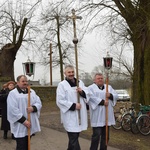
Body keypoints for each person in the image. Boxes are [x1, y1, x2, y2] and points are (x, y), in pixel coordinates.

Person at [56, 64, 90, 150]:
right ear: (65, 73)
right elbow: (60, 100)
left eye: (72, 72)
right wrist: (73, 105)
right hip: (70, 116)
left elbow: (88, 94)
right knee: (73, 138)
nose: (71, 74)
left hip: (80, 115)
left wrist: (81, 92)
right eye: (69, 72)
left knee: (74, 138)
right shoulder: (62, 85)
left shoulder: (80, 82)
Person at [7, 75, 42, 150]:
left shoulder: (32, 92)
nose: (25, 83)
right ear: (18, 82)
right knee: (21, 146)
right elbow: (12, 109)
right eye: (23, 81)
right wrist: (24, 121)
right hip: (20, 124)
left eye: (26, 81)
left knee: (27, 145)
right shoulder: (13, 94)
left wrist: (33, 108)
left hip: (30, 123)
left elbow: (38, 103)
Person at [88, 73, 118, 150]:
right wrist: (102, 102)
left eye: (101, 78)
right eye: (98, 78)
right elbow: (91, 98)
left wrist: (110, 95)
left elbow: (116, 95)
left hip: (107, 115)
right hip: (97, 116)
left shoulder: (109, 87)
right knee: (96, 135)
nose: (100, 79)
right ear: (94, 80)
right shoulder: (91, 88)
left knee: (106, 136)